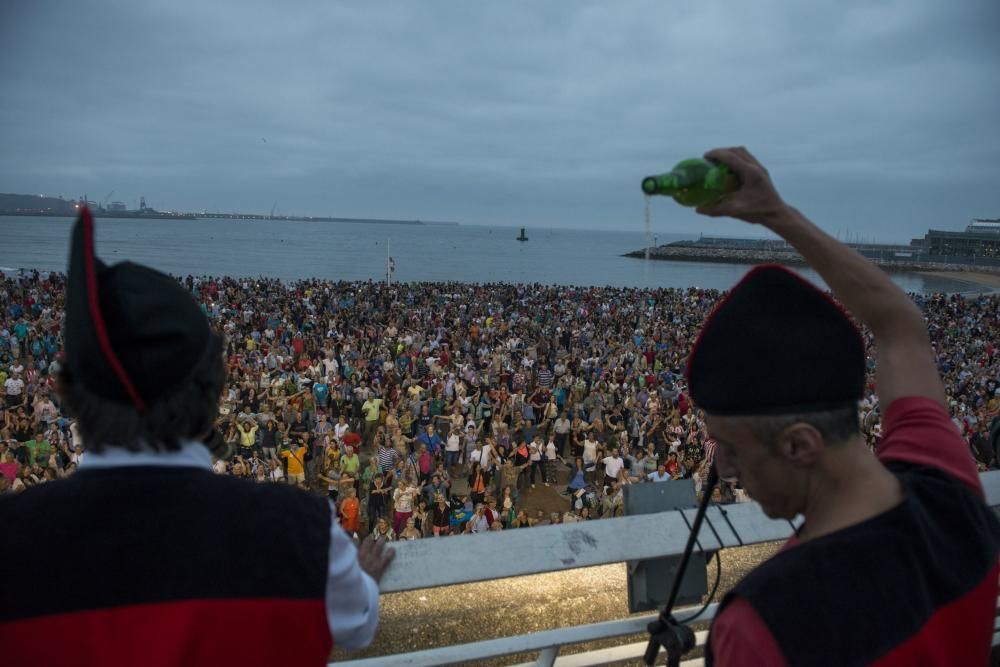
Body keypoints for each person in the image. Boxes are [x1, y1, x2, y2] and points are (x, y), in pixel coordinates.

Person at [0, 208, 394, 665]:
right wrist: (362, 577)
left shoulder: (13, 541)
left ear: (69, 396)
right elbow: (358, 624)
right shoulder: (300, 530)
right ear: (211, 395)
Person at [686, 148, 1000, 666]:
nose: (722, 467)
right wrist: (776, 213)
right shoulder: (948, 487)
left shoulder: (764, 623)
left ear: (800, 444)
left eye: (732, 447)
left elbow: (901, 329)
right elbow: (901, 328)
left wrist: (775, 215)